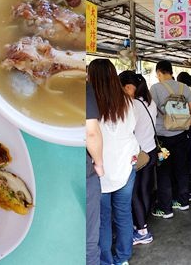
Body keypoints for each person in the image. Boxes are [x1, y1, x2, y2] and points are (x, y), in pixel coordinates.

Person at [88, 59, 139, 265]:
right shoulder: (127, 101)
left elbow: (92, 136)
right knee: (124, 213)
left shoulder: (92, 103)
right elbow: (131, 130)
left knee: (102, 220)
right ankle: (123, 258)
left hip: (100, 168)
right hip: (126, 165)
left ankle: (106, 260)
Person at [149, 61, 191, 218]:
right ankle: (183, 202)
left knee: (164, 172)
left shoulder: (155, 88)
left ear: (160, 73)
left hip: (163, 137)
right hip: (182, 135)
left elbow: (152, 110)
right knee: (181, 168)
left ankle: (166, 208)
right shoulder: (184, 87)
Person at [119, 71, 158, 245]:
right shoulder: (150, 103)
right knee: (144, 190)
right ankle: (142, 223)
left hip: (138, 154)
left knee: (133, 193)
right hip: (150, 151)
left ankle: (142, 230)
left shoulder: (132, 105)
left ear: (128, 87)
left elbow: (128, 130)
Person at [86, 81, 104, 265]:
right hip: (86, 170)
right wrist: (99, 164)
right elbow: (92, 133)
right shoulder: (84, 87)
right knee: (90, 236)